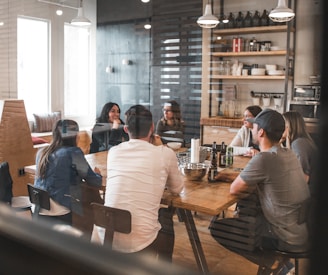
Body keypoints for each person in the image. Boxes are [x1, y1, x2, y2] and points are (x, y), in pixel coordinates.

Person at [210, 109, 311, 274]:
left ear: (261, 132)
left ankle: (273, 262)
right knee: (250, 206)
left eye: (254, 127)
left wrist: (229, 179)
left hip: (282, 236)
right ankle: (280, 264)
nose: (252, 130)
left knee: (218, 228)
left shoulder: (263, 158)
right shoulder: (288, 153)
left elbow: (234, 189)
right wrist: (228, 176)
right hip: (299, 230)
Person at [93, 105, 184, 262]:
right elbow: (177, 188)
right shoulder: (164, 153)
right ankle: (165, 266)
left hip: (106, 236)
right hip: (140, 242)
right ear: (152, 128)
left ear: (126, 129)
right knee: (165, 217)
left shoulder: (114, 152)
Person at [34, 119, 102, 226]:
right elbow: (95, 181)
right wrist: (98, 174)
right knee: (88, 200)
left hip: (39, 207)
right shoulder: (73, 153)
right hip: (58, 209)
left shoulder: (42, 152)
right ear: (75, 135)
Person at [282, 111, 318, 197]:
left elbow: (303, 178)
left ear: (289, 126)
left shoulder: (299, 143)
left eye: (282, 124)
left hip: (311, 193)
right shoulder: (301, 141)